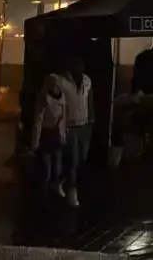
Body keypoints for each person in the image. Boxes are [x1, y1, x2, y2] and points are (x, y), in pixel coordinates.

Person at [56, 57, 93, 207]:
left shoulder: (86, 80)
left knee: (81, 158)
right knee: (73, 159)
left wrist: (91, 120)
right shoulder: (61, 81)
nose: (79, 67)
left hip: (83, 124)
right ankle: (72, 192)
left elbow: (89, 99)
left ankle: (60, 180)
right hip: (69, 125)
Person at [31, 74, 68, 197]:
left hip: (55, 133)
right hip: (46, 134)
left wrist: (63, 135)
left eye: (58, 85)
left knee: (57, 165)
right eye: (54, 84)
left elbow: (63, 118)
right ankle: (44, 191)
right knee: (47, 167)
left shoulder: (62, 97)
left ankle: (55, 187)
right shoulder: (43, 98)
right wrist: (35, 141)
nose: (57, 87)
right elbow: (38, 120)